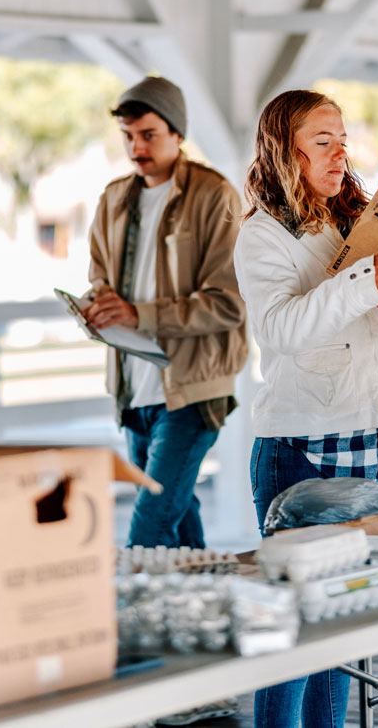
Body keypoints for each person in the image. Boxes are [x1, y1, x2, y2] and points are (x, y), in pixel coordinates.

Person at [234, 89, 378, 728]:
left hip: (370, 445)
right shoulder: (263, 237)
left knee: (344, 631)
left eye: (342, 138)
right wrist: (367, 281)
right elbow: (281, 330)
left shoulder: (360, 226)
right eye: (322, 140)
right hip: (299, 456)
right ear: (281, 150)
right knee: (294, 637)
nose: (340, 151)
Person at [84, 75, 247, 555]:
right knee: (176, 523)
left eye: (149, 135)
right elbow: (99, 278)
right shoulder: (112, 199)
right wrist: (99, 306)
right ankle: (208, 610)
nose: (137, 147)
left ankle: (126, 622)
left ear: (178, 133)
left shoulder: (215, 196)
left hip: (193, 392)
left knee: (149, 529)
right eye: (129, 137)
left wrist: (139, 314)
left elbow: (229, 303)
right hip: (133, 392)